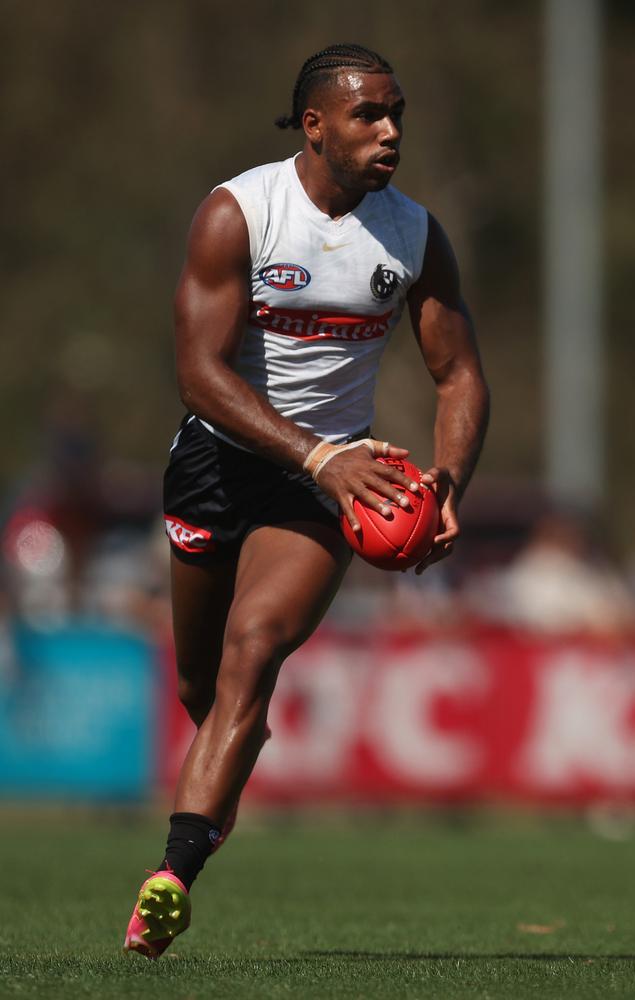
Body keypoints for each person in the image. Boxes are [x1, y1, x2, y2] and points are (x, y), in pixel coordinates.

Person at [124, 42, 490, 959]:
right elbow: (198, 374)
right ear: (316, 124)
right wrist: (314, 451)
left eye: (397, 112)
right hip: (218, 463)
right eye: (370, 114)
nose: (391, 130)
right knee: (201, 686)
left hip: (328, 485)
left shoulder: (412, 234)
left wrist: (445, 482)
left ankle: (170, 878)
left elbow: (459, 376)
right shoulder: (239, 213)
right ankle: (225, 768)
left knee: (257, 649)